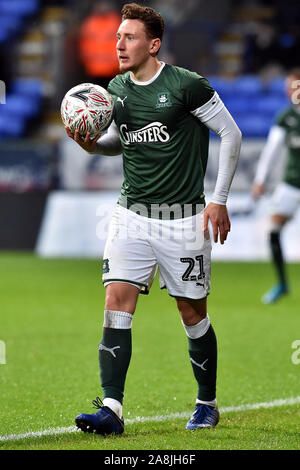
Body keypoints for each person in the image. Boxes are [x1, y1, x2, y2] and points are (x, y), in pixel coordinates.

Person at [66, 3, 242, 435]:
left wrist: (218, 201)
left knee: (191, 313)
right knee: (116, 303)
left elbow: (231, 133)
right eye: (118, 37)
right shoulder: (115, 90)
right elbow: (118, 143)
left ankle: (206, 402)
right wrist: (91, 145)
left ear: (154, 44)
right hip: (132, 215)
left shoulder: (187, 86)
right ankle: (111, 409)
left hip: (183, 219)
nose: (119, 43)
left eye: (129, 37)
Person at [252, 68, 300, 304]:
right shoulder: (287, 117)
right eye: (289, 86)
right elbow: (272, 151)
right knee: (273, 231)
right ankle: (282, 283)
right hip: (292, 183)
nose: (291, 90)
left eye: (295, 86)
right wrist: (261, 180)